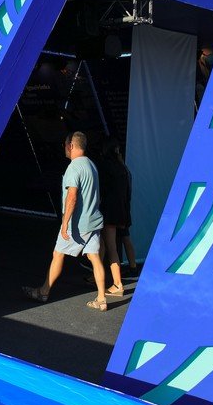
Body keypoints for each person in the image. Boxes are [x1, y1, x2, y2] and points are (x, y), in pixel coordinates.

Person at [23, 131, 108, 311]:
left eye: (65, 145)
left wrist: (65, 223)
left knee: (58, 254)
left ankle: (43, 292)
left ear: (71, 146)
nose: (64, 148)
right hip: (93, 220)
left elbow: (72, 196)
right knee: (95, 257)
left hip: (78, 224)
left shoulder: (74, 168)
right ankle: (101, 298)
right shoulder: (91, 165)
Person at [100, 138, 138, 278]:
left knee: (107, 245)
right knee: (125, 238)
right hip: (123, 209)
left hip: (110, 211)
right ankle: (133, 267)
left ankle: (103, 274)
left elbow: (102, 189)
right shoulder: (123, 169)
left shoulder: (105, 167)